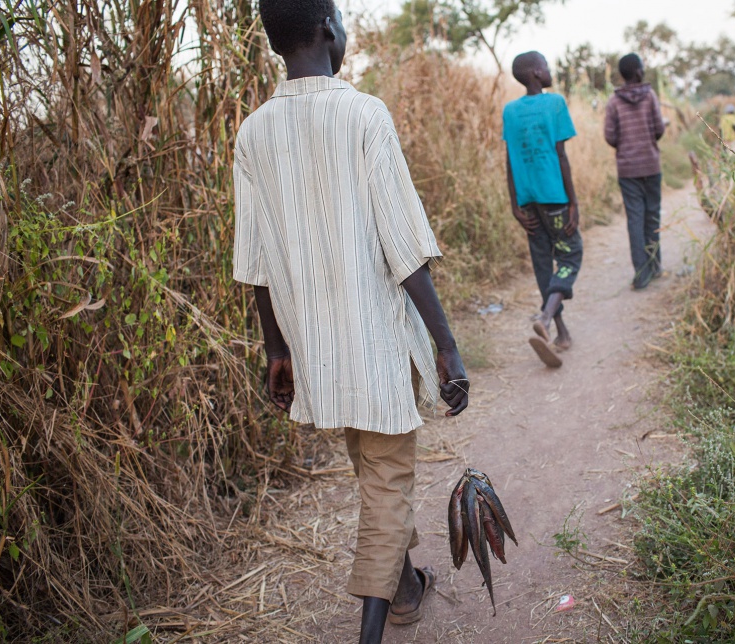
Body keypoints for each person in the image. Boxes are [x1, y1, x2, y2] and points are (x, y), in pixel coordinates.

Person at [232, 2, 469, 642]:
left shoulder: (253, 132)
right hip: (377, 338)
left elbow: (254, 256)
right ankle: (371, 629)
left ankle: (408, 587)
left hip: (316, 346)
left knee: (372, 467)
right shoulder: (363, 113)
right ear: (328, 30)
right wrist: (446, 347)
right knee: (389, 480)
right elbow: (403, 244)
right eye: (339, 14)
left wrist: (276, 349)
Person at [503, 51, 583, 369]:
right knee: (570, 255)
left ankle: (560, 333)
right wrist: (573, 201)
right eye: (546, 66)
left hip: (527, 201)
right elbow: (561, 156)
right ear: (536, 73)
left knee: (542, 264)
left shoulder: (510, 110)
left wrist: (513, 203)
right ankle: (547, 318)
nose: (550, 71)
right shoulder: (554, 103)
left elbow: (510, 161)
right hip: (555, 197)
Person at [604, 53, 666, 290]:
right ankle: (655, 266)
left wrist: (625, 146)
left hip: (628, 169)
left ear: (622, 74)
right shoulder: (650, 96)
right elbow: (659, 128)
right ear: (638, 72)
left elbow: (610, 136)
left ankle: (641, 274)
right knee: (652, 217)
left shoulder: (613, 102)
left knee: (635, 220)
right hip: (651, 165)